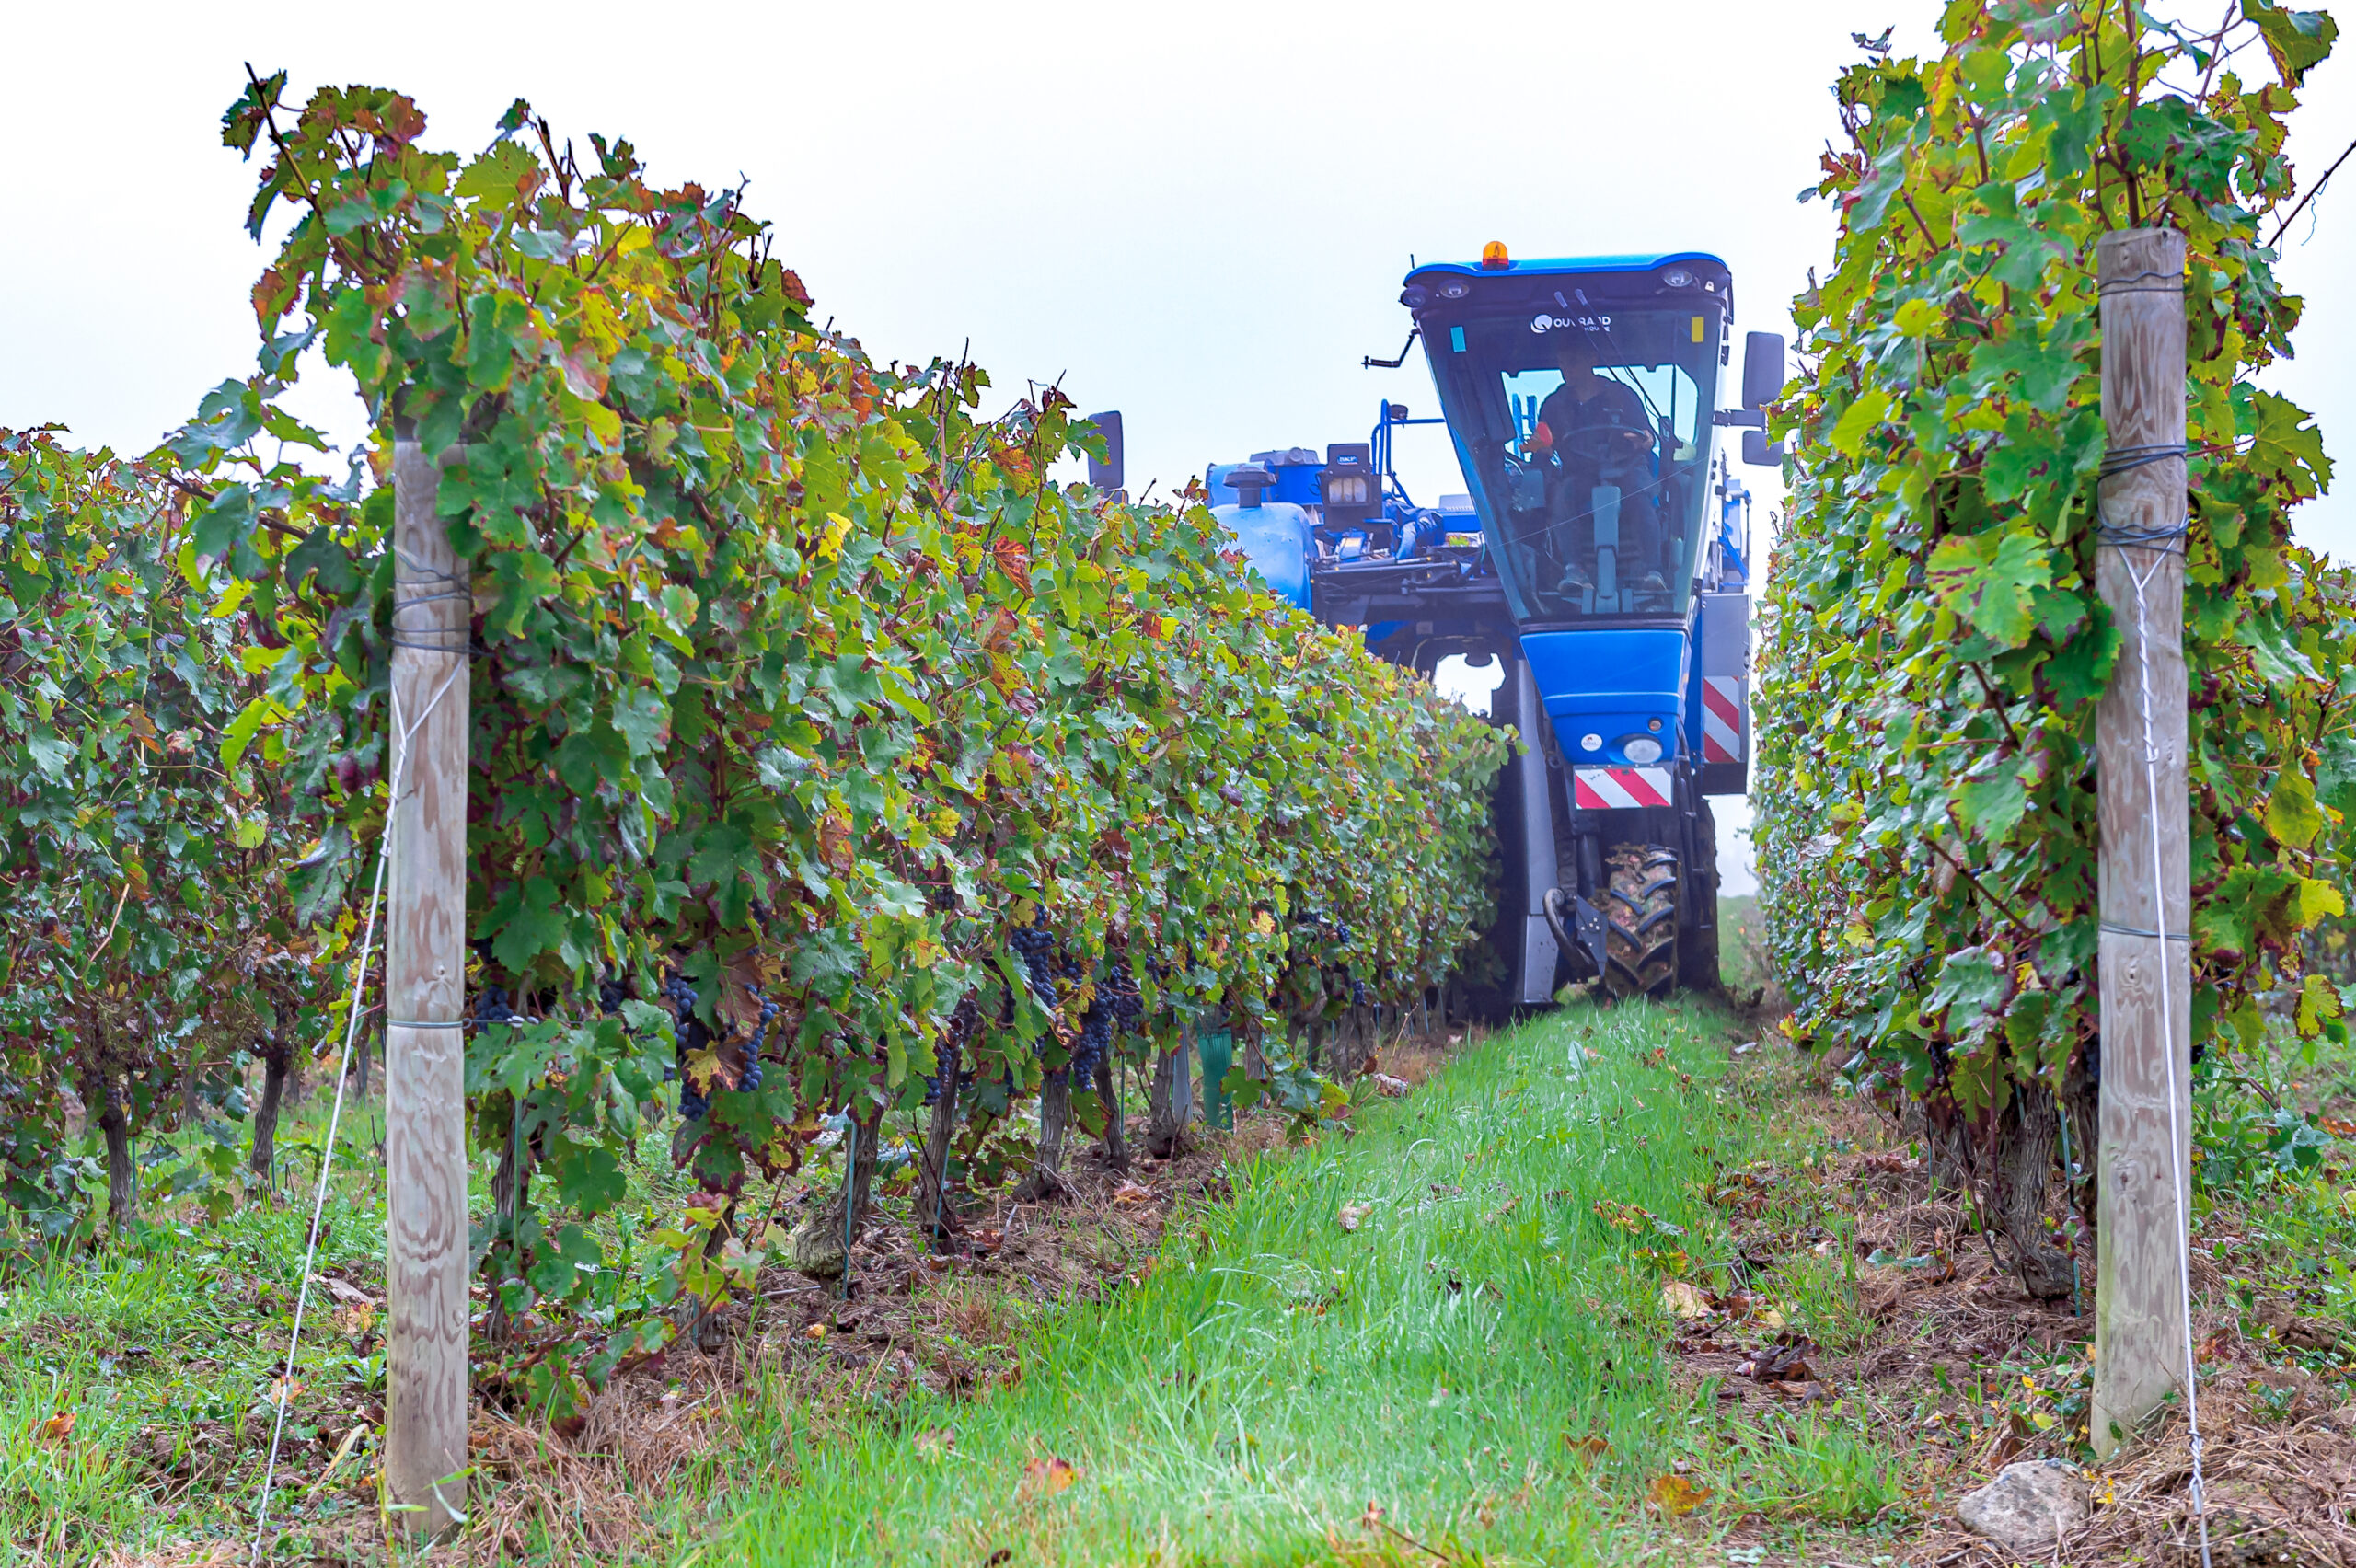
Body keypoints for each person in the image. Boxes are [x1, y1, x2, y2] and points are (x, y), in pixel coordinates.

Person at [1531, 331, 1661, 597]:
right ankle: (1575, 570)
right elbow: (1543, 445)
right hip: (1580, 474)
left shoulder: (1623, 395)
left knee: (1639, 493)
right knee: (1562, 495)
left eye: (1574, 361)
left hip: (1626, 468)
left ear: (1592, 359)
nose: (1567, 369)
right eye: (1563, 362)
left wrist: (1643, 441)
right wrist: (1539, 450)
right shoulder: (1554, 405)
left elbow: (1648, 437)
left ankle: (1653, 570)